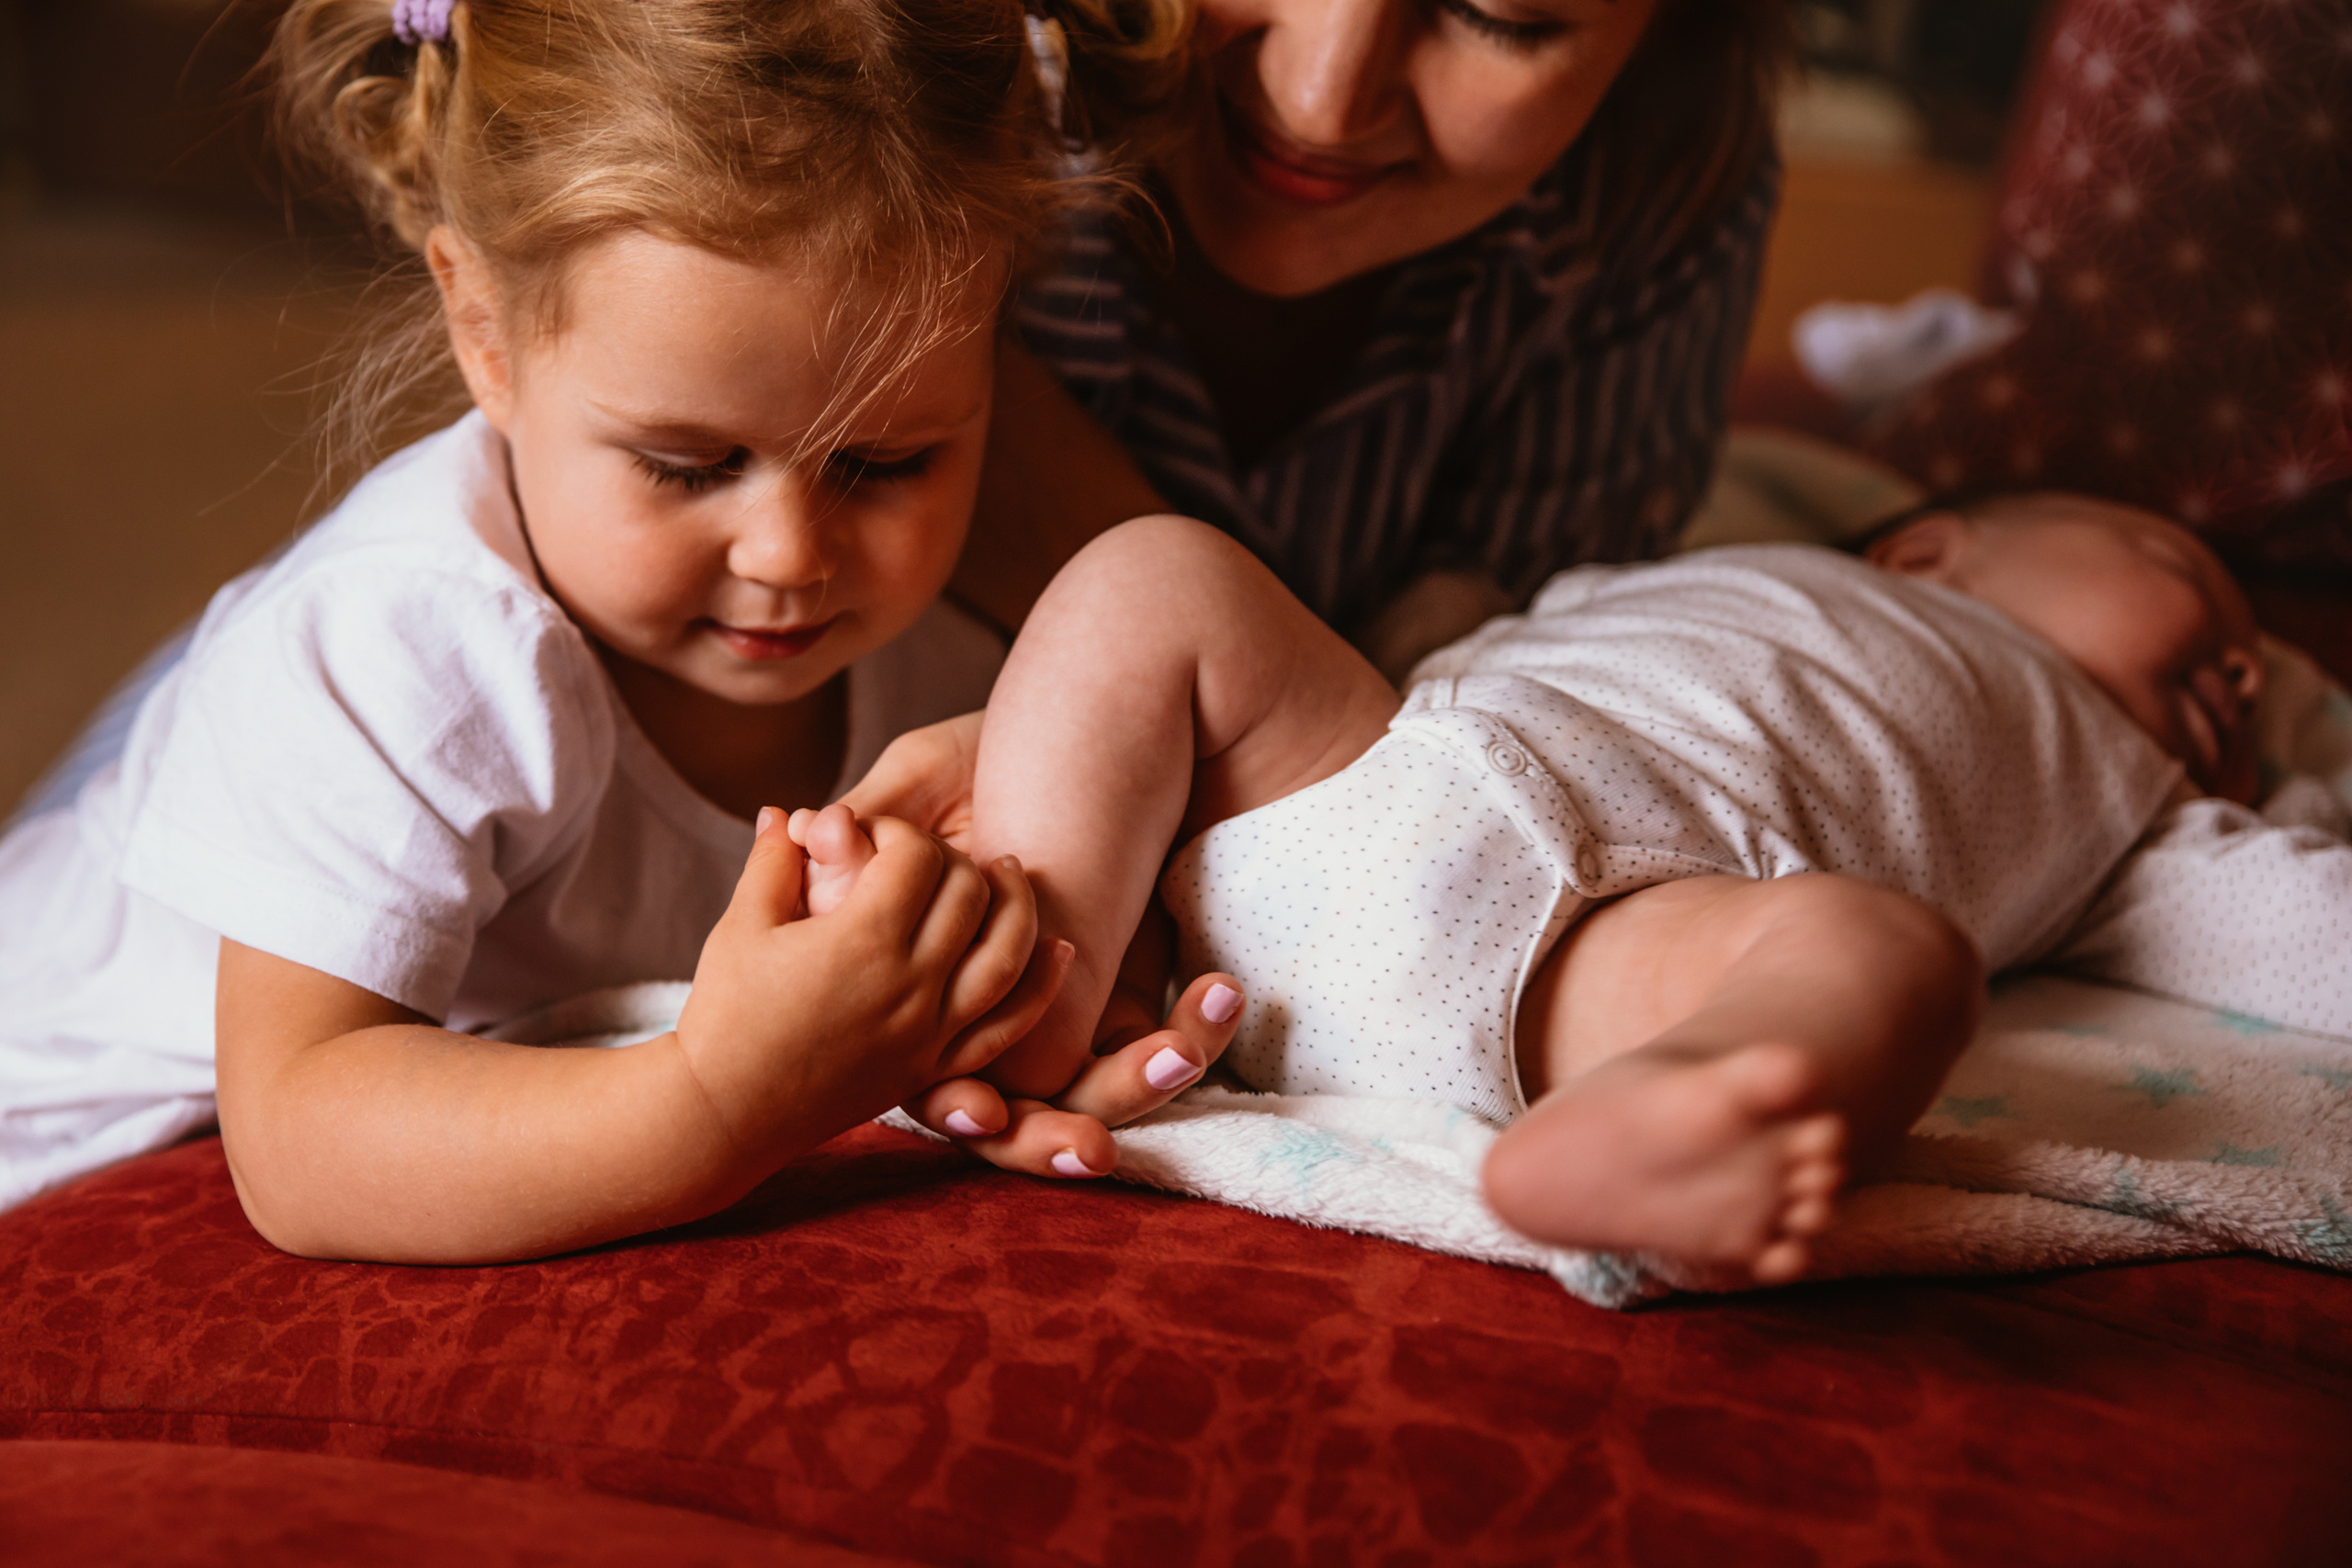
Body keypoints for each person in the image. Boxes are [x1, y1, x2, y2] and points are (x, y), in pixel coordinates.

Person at [0, 0, 1243, 1251]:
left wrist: (1033, 995)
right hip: (63, 1137)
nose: (790, 555)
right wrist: (718, 1095)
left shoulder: (963, 648)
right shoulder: (404, 643)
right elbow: (299, 1137)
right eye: (687, 465)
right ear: (483, 334)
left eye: (886, 462)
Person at [817, 491, 2348, 1282]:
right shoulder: (1682, 571)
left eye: (2253, 677)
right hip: (1356, 792)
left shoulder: (2137, 806)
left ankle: (1680, 1102)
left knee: (1893, 956)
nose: (2239, 663)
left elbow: (2304, 923)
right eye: (2176, 567)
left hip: (1599, 946)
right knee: (1156, 571)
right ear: (1927, 548)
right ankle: (1045, 959)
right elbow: (1452, 623)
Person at [962, 0, 1792, 678]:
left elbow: (1519, 705)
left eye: (1498, 17)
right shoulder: (936, 72)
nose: (1323, 105)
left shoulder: (1665, 174)